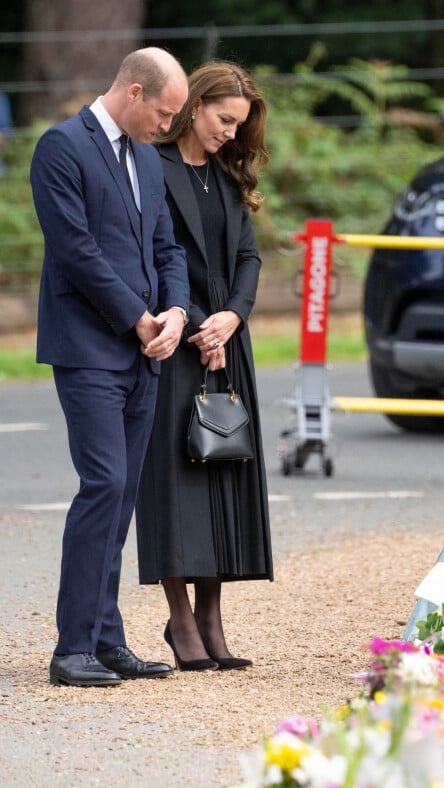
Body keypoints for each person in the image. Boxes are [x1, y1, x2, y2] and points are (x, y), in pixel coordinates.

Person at [30, 48, 191, 687]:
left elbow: (166, 246)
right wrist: (136, 316)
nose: (168, 126)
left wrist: (176, 311)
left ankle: (105, 638)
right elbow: (75, 250)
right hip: (90, 347)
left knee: (121, 493)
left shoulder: (147, 158)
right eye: (165, 112)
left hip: (144, 350)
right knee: (102, 486)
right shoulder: (60, 147)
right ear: (132, 91)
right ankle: (71, 648)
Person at [135, 61, 273, 671]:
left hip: (226, 339)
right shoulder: (151, 166)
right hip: (174, 334)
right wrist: (195, 323)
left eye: (238, 125)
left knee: (222, 471)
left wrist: (233, 319)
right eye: (224, 120)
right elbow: (148, 259)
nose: (230, 134)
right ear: (195, 106)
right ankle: (181, 620)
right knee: (173, 478)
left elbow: (248, 257)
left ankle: (213, 616)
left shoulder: (226, 171)